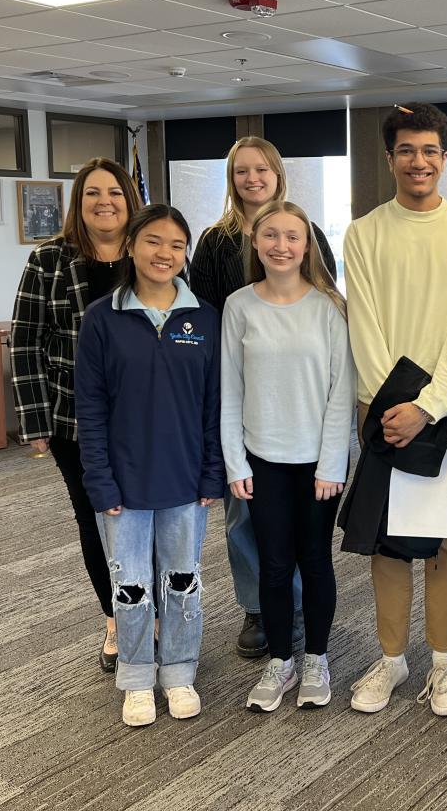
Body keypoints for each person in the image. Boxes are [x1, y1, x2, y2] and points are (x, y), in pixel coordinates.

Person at [342, 102, 447, 716]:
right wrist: (393, 407)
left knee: (440, 539)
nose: (419, 161)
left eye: (430, 150)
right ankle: (392, 658)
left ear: (445, 159)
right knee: (385, 539)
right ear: (390, 158)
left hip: (444, 409)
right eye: (407, 150)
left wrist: (427, 407)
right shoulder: (364, 234)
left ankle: (444, 662)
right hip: (380, 409)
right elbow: (364, 325)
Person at [75, 203, 224, 728]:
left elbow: (215, 405)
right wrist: (99, 480)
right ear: (132, 246)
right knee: (131, 587)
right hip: (124, 483)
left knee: (183, 581)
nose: (165, 253)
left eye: (177, 245)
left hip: (186, 479)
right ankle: (136, 676)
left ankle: (179, 671)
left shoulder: (205, 318)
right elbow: (90, 408)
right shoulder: (102, 319)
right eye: (154, 241)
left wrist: (213, 472)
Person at [190, 135, 334, 659]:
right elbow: (206, 319)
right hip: (244, 397)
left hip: (301, 408)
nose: (252, 179)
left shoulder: (307, 231)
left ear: (278, 175)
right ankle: (257, 606)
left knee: (303, 532)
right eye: (241, 171)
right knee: (244, 515)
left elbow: (324, 302)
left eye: (262, 169)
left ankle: (294, 607)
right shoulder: (216, 242)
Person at [221, 200, 355, 713]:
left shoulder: (329, 307)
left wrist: (331, 463)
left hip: (318, 463)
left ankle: (316, 657)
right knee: (274, 565)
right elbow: (230, 390)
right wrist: (235, 462)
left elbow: (342, 392)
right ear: (256, 243)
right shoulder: (239, 306)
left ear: (307, 246)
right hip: (262, 459)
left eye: (292, 236)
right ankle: (281, 661)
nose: (281, 245)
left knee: (315, 560)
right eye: (271, 235)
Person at [11, 157, 141, 672]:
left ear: (130, 199)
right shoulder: (49, 260)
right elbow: (25, 341)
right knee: (97, 519)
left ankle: (150, 615)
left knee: (148, 517)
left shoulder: (150, 251)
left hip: (146, 421)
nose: (104, 202)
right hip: (75, 420)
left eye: (114, 192)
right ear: (78, 203)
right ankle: (115, 619)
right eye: (92, 193)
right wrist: (35, 421)